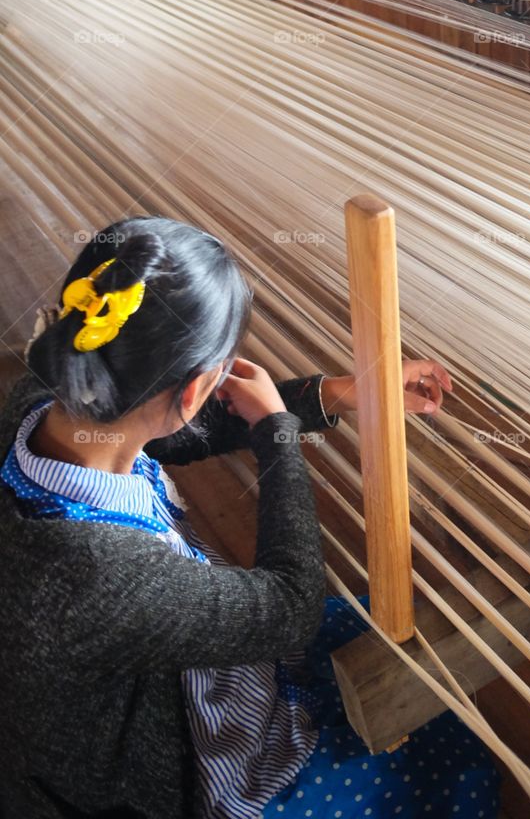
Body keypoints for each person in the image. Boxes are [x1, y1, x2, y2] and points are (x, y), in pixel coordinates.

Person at [0, 215, 501, 818]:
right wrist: (278, 437)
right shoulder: (100, 577)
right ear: (194, 394)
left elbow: (163, 432)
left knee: (385, 641)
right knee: (452, 768)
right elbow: (289, 608)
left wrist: (343, 392)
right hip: (149, 779)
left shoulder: (39, 402)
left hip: (105, 680)